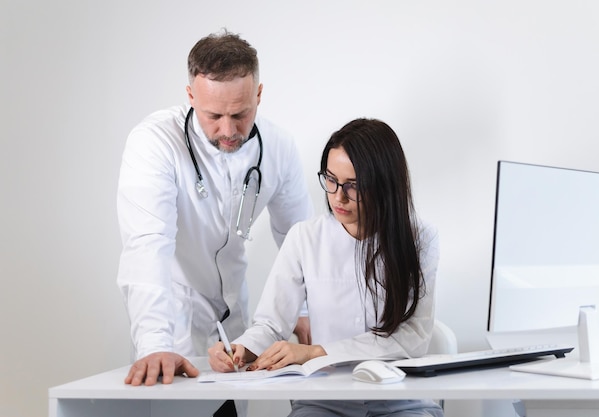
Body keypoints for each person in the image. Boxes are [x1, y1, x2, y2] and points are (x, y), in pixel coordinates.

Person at [116, 28, 314, 402]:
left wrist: (304, 309)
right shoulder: (154, 144)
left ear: (259, 94)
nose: (228, 130)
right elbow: (147, 246)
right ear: (190, 96)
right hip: (172, 323)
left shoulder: (279, 147)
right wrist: (155, 342)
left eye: (241, 114)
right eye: (213, 115)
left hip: (234, 325)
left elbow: (299, 239)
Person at [208, 118, 443, 417]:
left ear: (385, 184)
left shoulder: (420, 239)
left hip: (400, 400)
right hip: (325, 400)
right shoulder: (305, 237)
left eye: (353, 186)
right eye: (330, 179)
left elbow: (414, 336)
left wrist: (316, 352)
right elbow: (270, 324)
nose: (338, 196)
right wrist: (239, 350)